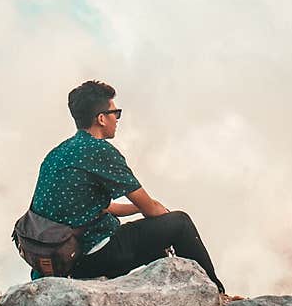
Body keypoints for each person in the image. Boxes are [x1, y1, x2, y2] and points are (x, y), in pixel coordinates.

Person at [26, 80, 225, 293]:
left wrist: (137, 210)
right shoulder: (100, 151)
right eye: (116, 113)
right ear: (101, 119)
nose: (117, 119)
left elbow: (100, 207)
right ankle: (215, 292)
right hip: (90, 258)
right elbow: (152, 209)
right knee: (180, 223)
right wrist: (163, 214)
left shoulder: (56, 154)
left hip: (54, 260)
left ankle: (169, 293)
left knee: (151, 239)